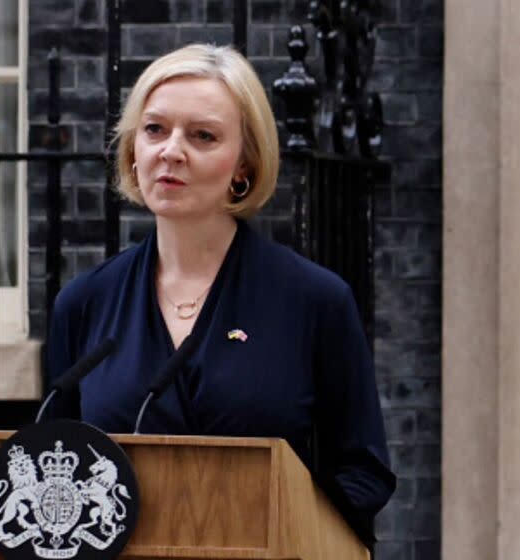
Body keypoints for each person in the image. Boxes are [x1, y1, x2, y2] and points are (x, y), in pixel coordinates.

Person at [45, 43, 395, 538]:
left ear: (244, 166)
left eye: (203, 135)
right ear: (132, 149)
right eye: (155, 130)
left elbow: (363, 475)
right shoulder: (84, 304)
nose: (171, 151)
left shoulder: (314, 301)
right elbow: (52, 462)